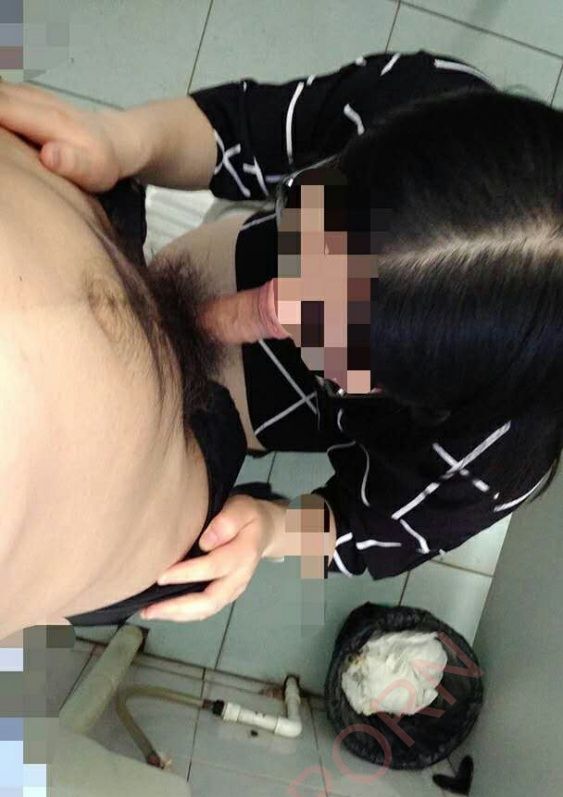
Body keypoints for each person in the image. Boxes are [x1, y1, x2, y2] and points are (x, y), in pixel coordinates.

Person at [1, 48, 562, 632]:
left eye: (330, 340)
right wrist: (125, 141)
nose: (265, 308)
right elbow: (240, 129)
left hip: (256, 408)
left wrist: (273, 531)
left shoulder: (490, 461)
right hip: (223, 255)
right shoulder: (424, 99)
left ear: (427, 399)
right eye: (313, 242)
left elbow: (364, 531)